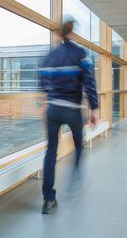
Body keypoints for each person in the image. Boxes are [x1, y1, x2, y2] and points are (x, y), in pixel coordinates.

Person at [39, 20, 99, 214]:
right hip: (73, 109)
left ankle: (48, 200)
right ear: (72, 34)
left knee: (51, 151)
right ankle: (74, 179)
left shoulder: (50, 56)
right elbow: (89, 81)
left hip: (53, 109)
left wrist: (46, 101)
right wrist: (94, 108)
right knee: (79, 144)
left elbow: (42, 82)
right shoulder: (81, 54)